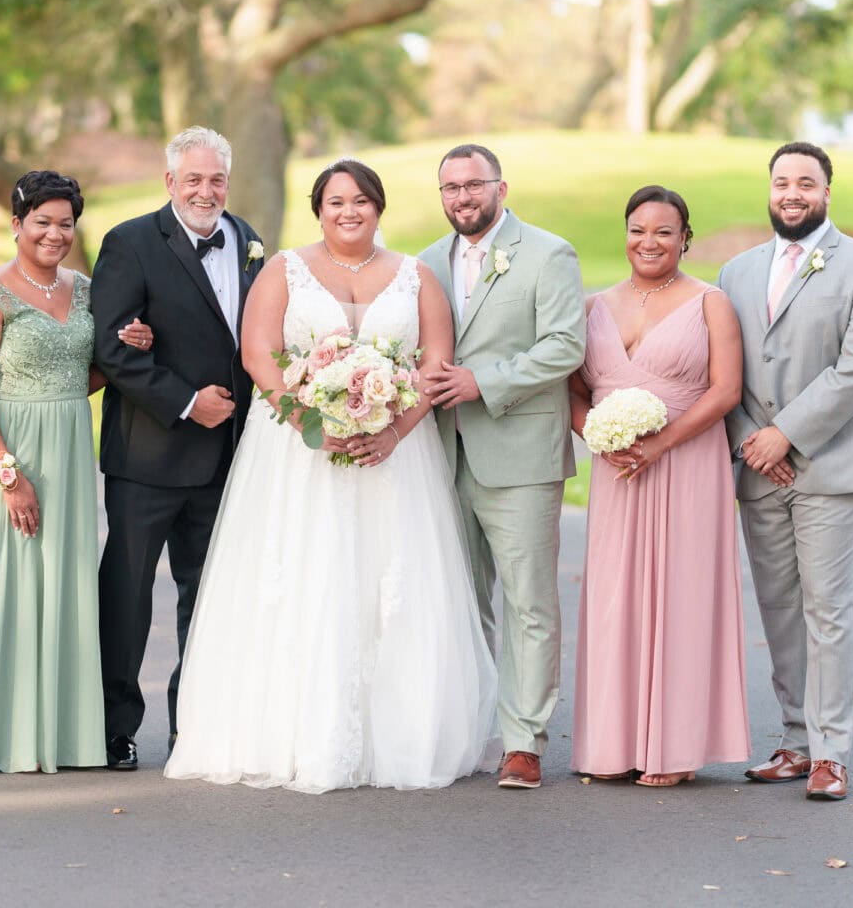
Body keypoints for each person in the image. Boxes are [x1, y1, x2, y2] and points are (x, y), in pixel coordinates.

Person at [163, 158, 497, 793]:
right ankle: (289, 731)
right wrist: (308, 422)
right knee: (301, 573)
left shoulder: (416, 276)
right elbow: (258, 354)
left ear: (380, 207)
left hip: (395, 453)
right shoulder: (283, 270)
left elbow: (436, 363)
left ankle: (395, 734)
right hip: (296, 452)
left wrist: (394, 429)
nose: (350, 212)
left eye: (362, 200)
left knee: (389, 580)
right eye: (336, 201)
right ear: (319, 209)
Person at [0, 171, 148, 774]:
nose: (55, 234)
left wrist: (135, 343)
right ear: (17, 225)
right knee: (7, 588)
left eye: (65, 223)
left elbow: (93, 371)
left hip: (69, 449)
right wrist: (7, 473)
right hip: (6, 452)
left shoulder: (87, 288)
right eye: (41, 222)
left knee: (62, 588)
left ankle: (61, 735)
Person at [718, 142, 853, 802]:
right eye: (781, 182)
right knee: (779, 610)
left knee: (828, 611)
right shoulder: (735, 272)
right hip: (755, 468)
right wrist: (749, 442)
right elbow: (723, 372)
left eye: (806, 182)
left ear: (828, 191)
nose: (792, 192)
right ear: (768, 190)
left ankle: (831, 752)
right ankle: (795, 741)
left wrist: (784, 436)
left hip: (830, 464)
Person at [90, 127, 265, 770]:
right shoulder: (129, 242)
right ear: (169, 182)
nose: (205, 190)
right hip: (148, 457)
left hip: (226, 462)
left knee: (210, 597)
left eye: (216, 179)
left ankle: (193, 725)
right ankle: (113, 728)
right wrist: (191, 402)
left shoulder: (248, 240)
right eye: (192, 179)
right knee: (129, 597)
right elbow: (111, 350)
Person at [566, 185, 750, 787]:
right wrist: (597, 433)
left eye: (664, 232)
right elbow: (571, 391)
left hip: (687, 462)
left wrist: (660, 444)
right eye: (638, 230)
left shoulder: (709, 303)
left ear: (685, 239)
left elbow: (724, 392)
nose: (649, 242)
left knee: (682, 596)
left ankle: (673, 748)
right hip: (617, 469)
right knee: (616, 598)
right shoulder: (593, 305)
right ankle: (614, 744)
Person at [419, 144, 586, 789]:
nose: (462, 197)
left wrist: (481, 383)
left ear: (500, 187)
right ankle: (468, 730)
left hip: (518, 452)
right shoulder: (427, 262)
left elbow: (564, 345)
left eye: (473, 185)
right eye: (450, 188)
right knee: (457, 599)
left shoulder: (549, 253)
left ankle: (524, 741)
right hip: (439, 453)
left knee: (527, 604)